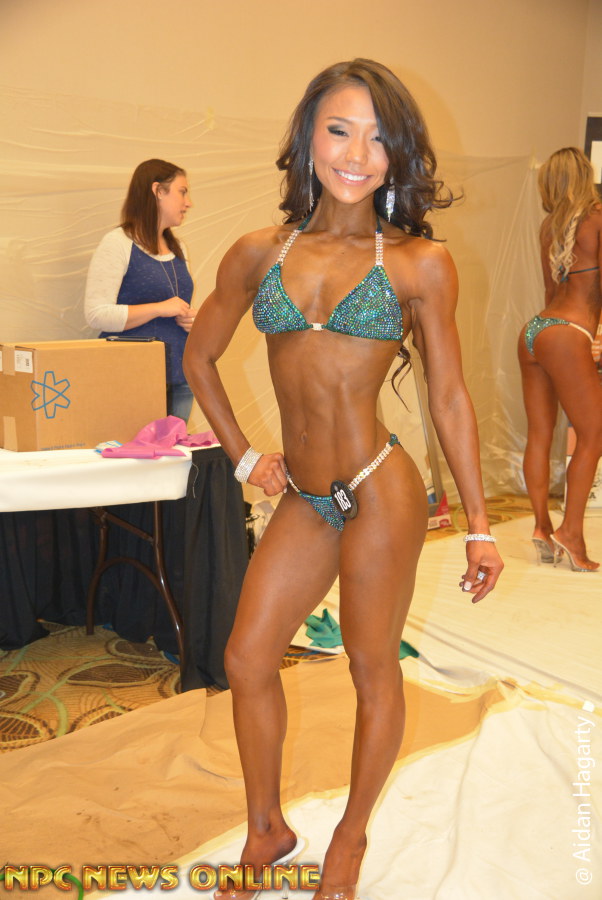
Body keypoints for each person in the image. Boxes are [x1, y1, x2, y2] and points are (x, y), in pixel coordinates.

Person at [183, 59, 503, 900]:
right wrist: (244, 455)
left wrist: (479, 523)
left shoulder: (420, 263)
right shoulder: (258, 252)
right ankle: (267, 828)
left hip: (378, 488)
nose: (356, 154)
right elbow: (199, 356)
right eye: (338, 130)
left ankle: (351, 840)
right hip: (304, 496)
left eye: (377, 138)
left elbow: (449, 397)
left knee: (371, 668)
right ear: (307, 138)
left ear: (397, 154)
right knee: (247, 658)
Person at [518, 147, 602, 573]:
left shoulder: (548, 227)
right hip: (569, 334)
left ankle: (541, 526)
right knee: (594, 434)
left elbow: (550, 294)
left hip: (535, 331)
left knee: (539, 433)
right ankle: (570, 533)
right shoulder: (598, 219)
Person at [85, 158, 196, 421]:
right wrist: (159, 309)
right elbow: (96, 314)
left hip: (181, 375)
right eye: (182, 192)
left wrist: (192, 319)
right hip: (131, 375)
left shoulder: (179, 248)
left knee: (176, 447)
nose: (188, 202)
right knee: (136, 447)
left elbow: (177, 307)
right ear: (158, 191)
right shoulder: (118, 243)